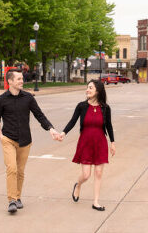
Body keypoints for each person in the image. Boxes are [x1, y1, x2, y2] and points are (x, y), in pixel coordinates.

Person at [0, 69, 63, 213]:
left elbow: (39, 115)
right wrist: (0, 136)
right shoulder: (1, 99)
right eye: (18, 79)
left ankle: (18, 197)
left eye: (22, 78)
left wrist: (51, 129)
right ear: (10, 81)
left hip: (25, 140)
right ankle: (11, 200)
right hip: (8, 139)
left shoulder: (28, 98)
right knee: (12, 168)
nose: (21, 81)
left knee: (20, 171)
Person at [60, 80, 116, 211]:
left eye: (90, 88)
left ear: (98, 91)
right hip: (85, 142)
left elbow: (109, 126)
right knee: (86, 175)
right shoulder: (82, 106)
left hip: (100, 142)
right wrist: (63, 133)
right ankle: (78, 185)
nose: (87, 90)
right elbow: (73, 121)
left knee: (98, 173)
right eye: (87, 87)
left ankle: (96, 202)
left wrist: (112, 143)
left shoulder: (105, 108)